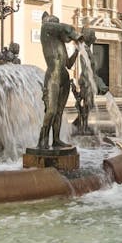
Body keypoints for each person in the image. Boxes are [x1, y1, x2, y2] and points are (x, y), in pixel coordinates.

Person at [36, 12, 83, 150]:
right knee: (50, 111)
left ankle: (56, 139)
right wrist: (75, 34)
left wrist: (77, 51)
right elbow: (65, 28)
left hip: (64, 77)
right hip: (53, 77)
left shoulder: (60, 44)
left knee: (59, 112)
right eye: (55, 24)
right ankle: (42, 140)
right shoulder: (46, 31)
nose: (57, 27)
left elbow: (68, 64)